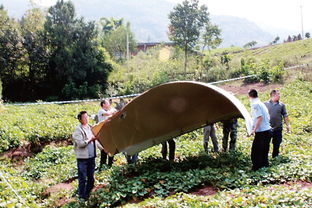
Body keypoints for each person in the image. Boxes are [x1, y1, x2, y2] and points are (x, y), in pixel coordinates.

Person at [72, 111, 97, 200]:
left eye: (87, 117)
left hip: (91, 156)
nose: (86, 119)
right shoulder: (78, 130)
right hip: (83, 158)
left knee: (91, 176)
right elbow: (80, 144)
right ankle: (82, 195)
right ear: (80, 119)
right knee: (82, 177)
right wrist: (90, 139)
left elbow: (96, 140)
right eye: (84, 117)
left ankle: (88, 193)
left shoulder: (90, 127)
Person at [248, 89, 272, 171]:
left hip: (262, 132)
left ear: (250, 96)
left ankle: (256, 169)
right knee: (264, 151)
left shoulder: (255, 104)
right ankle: (265, 167)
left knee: (255, 152)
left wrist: (254, 130)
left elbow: (260, 118)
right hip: (268, 130)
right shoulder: (261, 103)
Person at [264, 90, 290, 158]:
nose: (279, 96)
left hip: (278, 128)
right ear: (273, 95)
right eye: (278, 94)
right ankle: (265, 159)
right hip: (267, 128)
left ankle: (275, 157)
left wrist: (287, 125)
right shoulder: (265, 104)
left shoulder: (281, 105)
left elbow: (285, 115)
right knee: (266, 144)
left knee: (277, 144)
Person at [98, 100, 117, 170]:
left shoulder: (108, 112)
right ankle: (102, 166)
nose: (109, 104)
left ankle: (110, 165)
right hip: (103, 133)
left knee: (111, 148)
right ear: (103, 104)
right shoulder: (101, 111)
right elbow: (108, 114)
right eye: (108, 103)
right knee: (104, 150)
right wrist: (113, 110)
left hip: (110, 133)